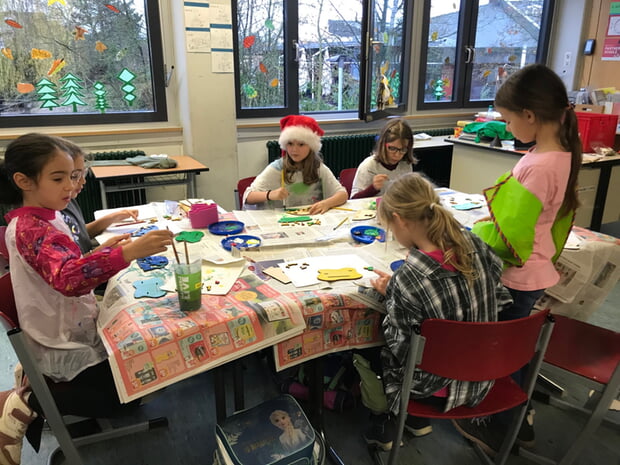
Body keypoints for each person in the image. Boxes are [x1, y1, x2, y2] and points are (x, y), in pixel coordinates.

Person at [0, 133, 174, 465]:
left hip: (71, 325)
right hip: (63, 344)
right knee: (153, 368)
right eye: (59, 178)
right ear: (23, 180)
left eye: (75, 176)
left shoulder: (47, 216)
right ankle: (30, 401)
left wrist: (103, 251)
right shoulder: (30, 228)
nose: (71, 185)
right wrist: (128, 252)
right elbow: (68, 279)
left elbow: (65, 263)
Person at [460, 64, 582, 455]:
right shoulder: (562, 154)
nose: (508, 128)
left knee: (501, 356)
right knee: (519, 350)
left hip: (516, 276)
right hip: (538, 269)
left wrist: (472, 233)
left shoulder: (537, 164)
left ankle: (501, 426)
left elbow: (509, 239)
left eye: (509, 119)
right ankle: (520, 420)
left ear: (529, 115)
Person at [355, 172, 512, 452]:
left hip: (431, 390)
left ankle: (387, 422)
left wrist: (392, 294)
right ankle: (414, 420)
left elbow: (403, 351)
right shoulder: (474, 243)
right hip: (484, 374)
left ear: (400, 220)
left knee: (366, 343)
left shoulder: (410, 277)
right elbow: (500, 298)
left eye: (390, 227)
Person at [244, 115, 348, 214]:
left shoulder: (318, 167)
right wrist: (270, 194)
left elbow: (343, 194)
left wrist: (327, 203)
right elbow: (248, 196)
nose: (294, 150)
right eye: (290, 144)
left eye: (301, 144)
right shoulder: (278, 168)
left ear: (311, 146)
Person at [60, 139, 139, 254]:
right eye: (75, 176)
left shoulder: (68, 201)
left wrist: (111, 218)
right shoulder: (51, 216)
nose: (83, 181)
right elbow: (71, 269)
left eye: (83, 173)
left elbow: (79, 234)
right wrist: (102, 252)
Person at [350, 118, 416, 199]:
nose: (397, 155)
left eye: (403, 149)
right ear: (383, 144)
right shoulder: (369, 166)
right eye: (392, 148)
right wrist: (373, 188)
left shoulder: (406, 164)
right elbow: (353, 200)